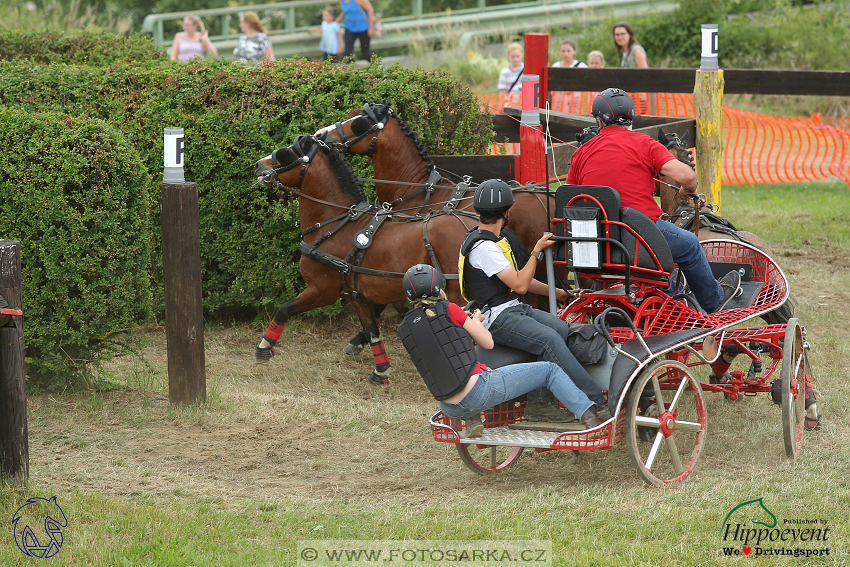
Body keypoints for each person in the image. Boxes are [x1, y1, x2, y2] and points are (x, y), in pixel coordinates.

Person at [565, 87, 743, 313]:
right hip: (639, 238)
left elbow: (569, 199)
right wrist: (683, 191)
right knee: (689, 245)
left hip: (597, 245)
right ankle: (714, 300)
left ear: (599, 122)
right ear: (631, 119)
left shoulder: (581, 153)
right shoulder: (644, 143)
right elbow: (689, 177)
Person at [457, 180, 609, 421]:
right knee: (548, 340)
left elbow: (516, 280)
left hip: (513, 309)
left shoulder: (490, 239)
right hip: (495, 318)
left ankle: (540, 403)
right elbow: (519, 284)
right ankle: (595, 401)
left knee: (560, 328)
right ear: (506, 213)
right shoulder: (485, 248)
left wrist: (557, 292)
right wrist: (536, 252)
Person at [398, 264, 604, 437]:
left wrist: (461, 320)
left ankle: (472, 420)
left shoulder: (405, 327)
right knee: (549, 370)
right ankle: (591, 417)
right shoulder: (450, 310)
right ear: (438, 286)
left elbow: (437, 337)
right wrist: (477, 321)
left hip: (448, 407)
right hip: (478, 392)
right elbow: (487, 342)